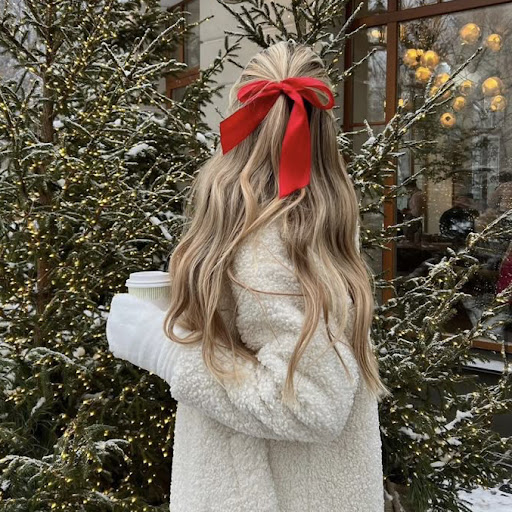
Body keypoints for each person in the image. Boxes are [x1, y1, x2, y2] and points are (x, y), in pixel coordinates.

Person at [106, 39, 390, 512]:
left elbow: (312, 403)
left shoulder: (271, 240)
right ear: (323, 132)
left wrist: (165, 350)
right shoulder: (307, 225)